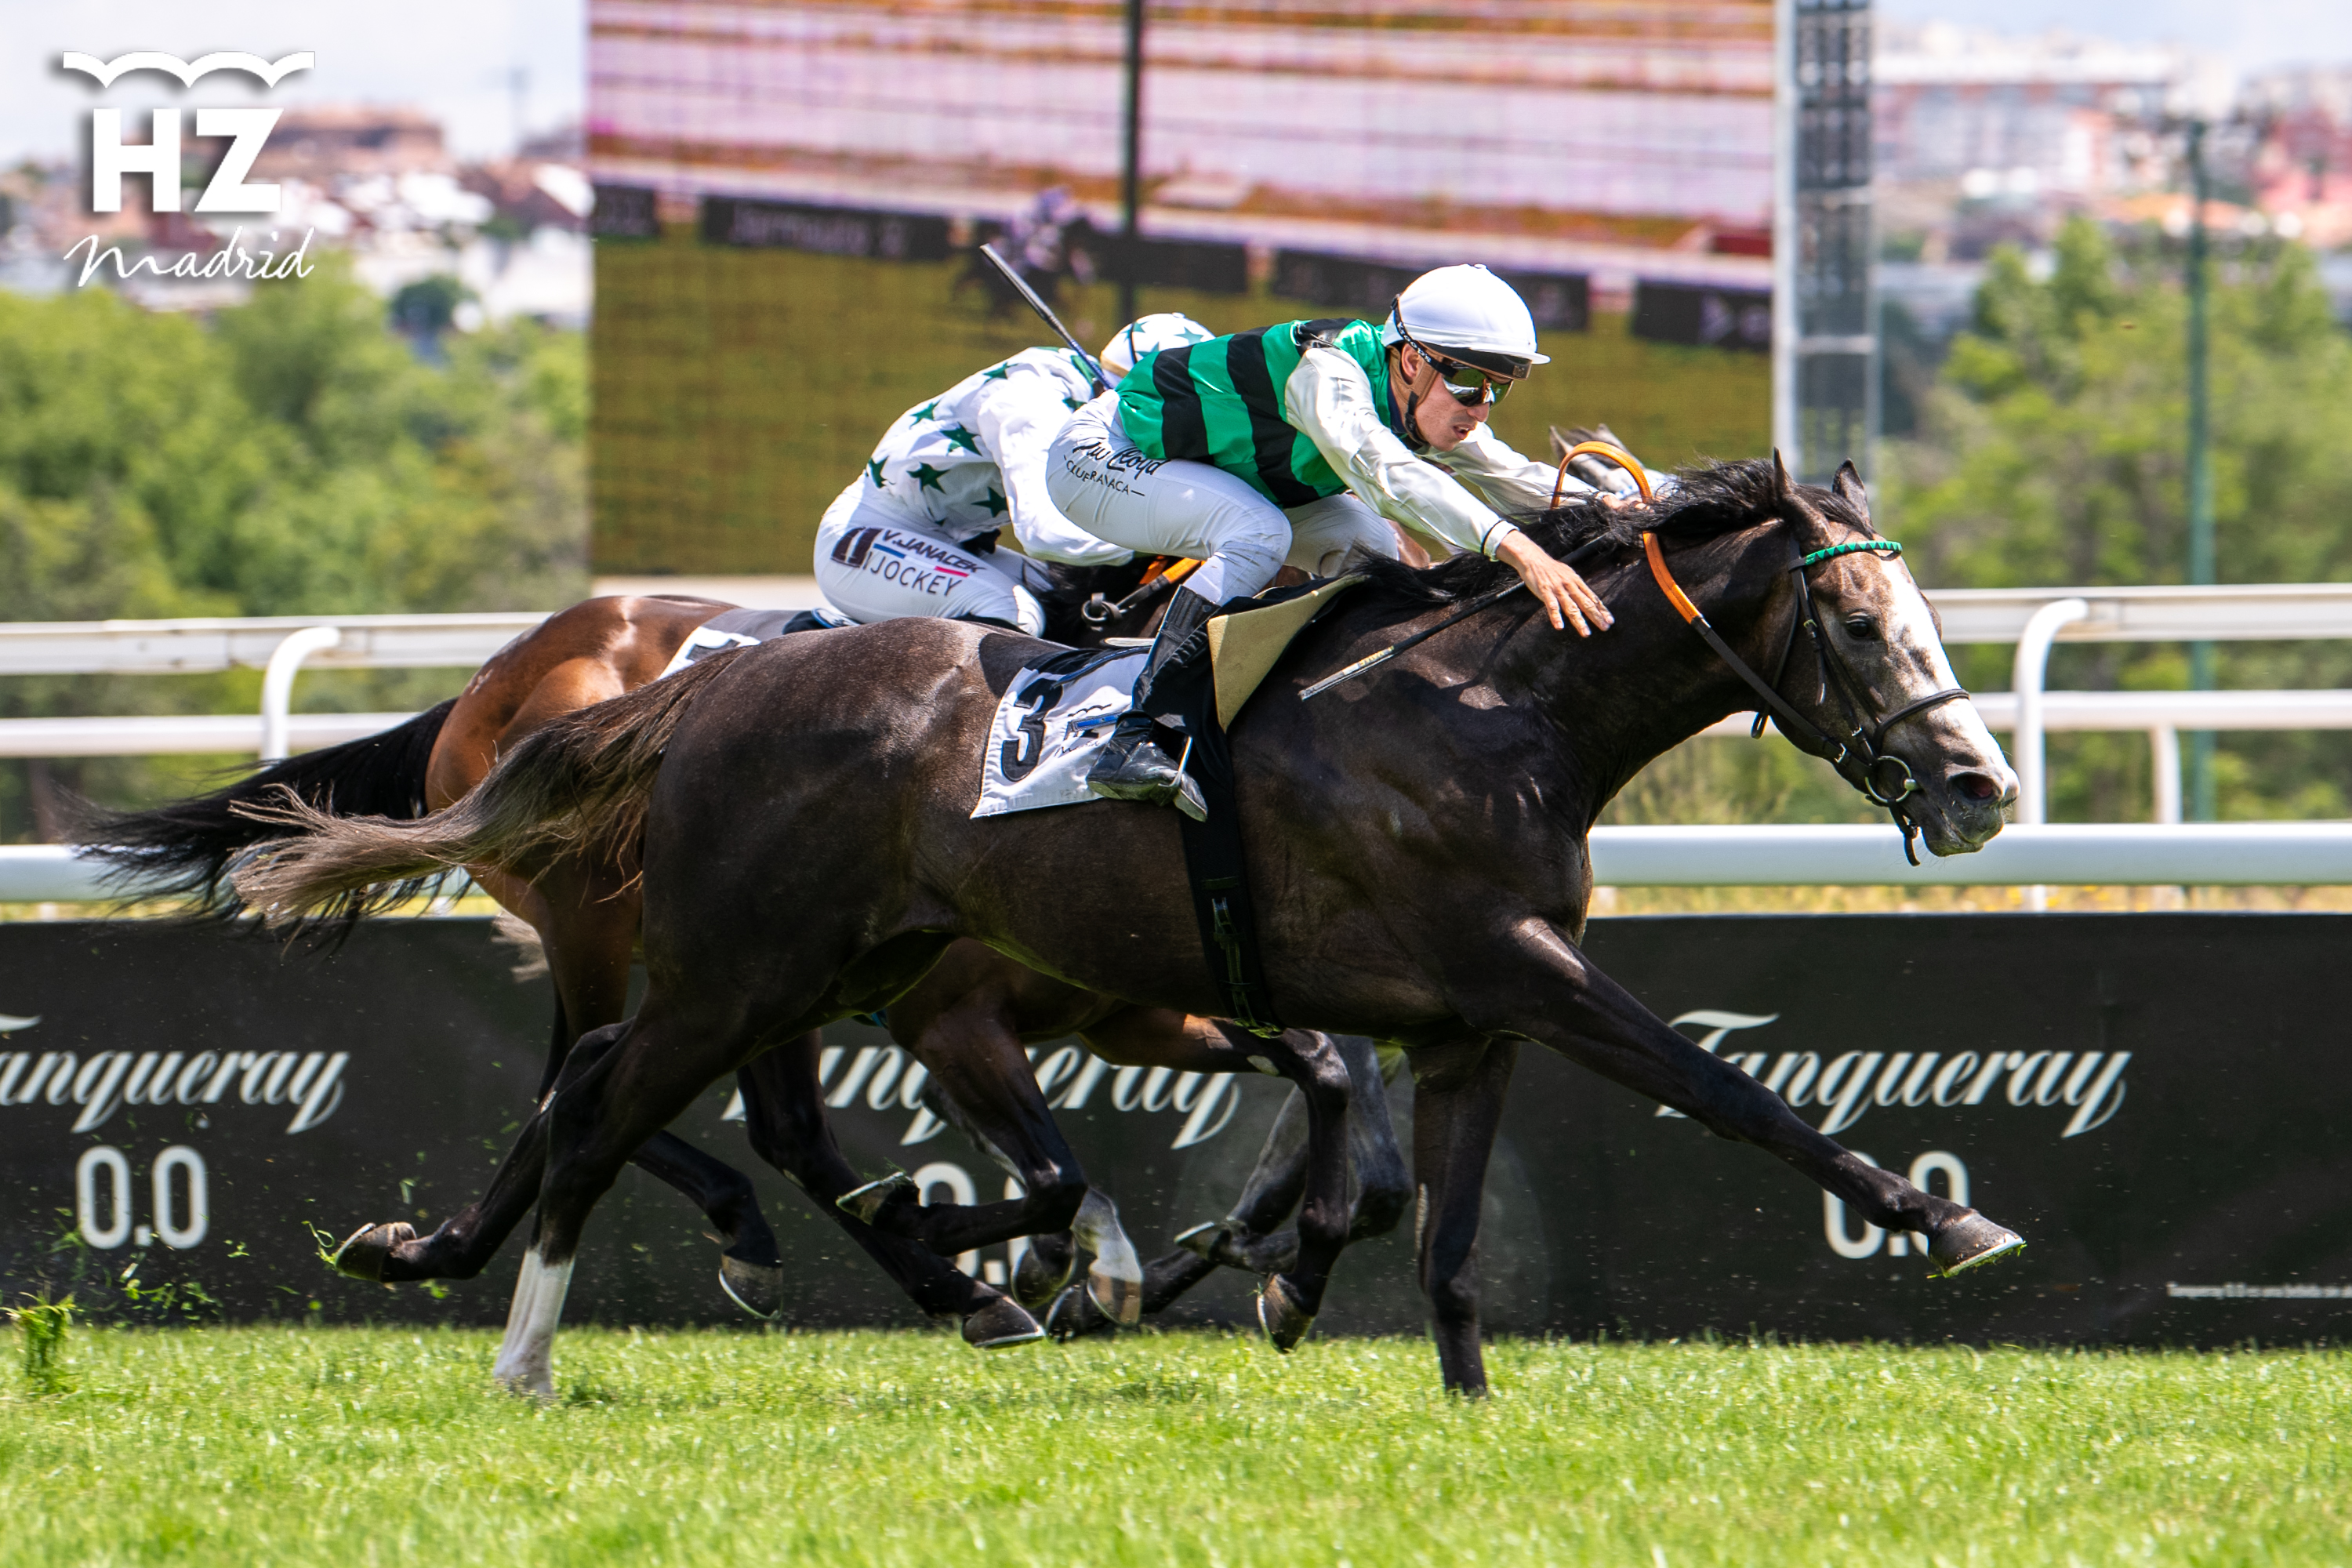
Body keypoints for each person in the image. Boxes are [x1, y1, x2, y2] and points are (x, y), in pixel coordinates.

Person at [1045, 263, 1634, 815]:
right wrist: (1520, 550)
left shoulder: (1422, 398)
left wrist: (1612, 508)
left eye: (1498, 389)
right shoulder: (1326, 372)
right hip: (1103, 455)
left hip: (1222, 476)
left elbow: (1508, 473)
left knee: (1372, 546)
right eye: (1471, 383)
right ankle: (1142, 732)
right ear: (1411, 362)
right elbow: (1386, 476)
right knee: (1260, 532)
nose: (1481, 408)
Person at [813, 313, 1216, 635]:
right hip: (864, 541)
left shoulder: (1095, 399)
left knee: (1067, 613)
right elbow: (1046, 535)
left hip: (952, 542)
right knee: (1014, 615)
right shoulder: (1033, 402)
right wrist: (1185, 539)